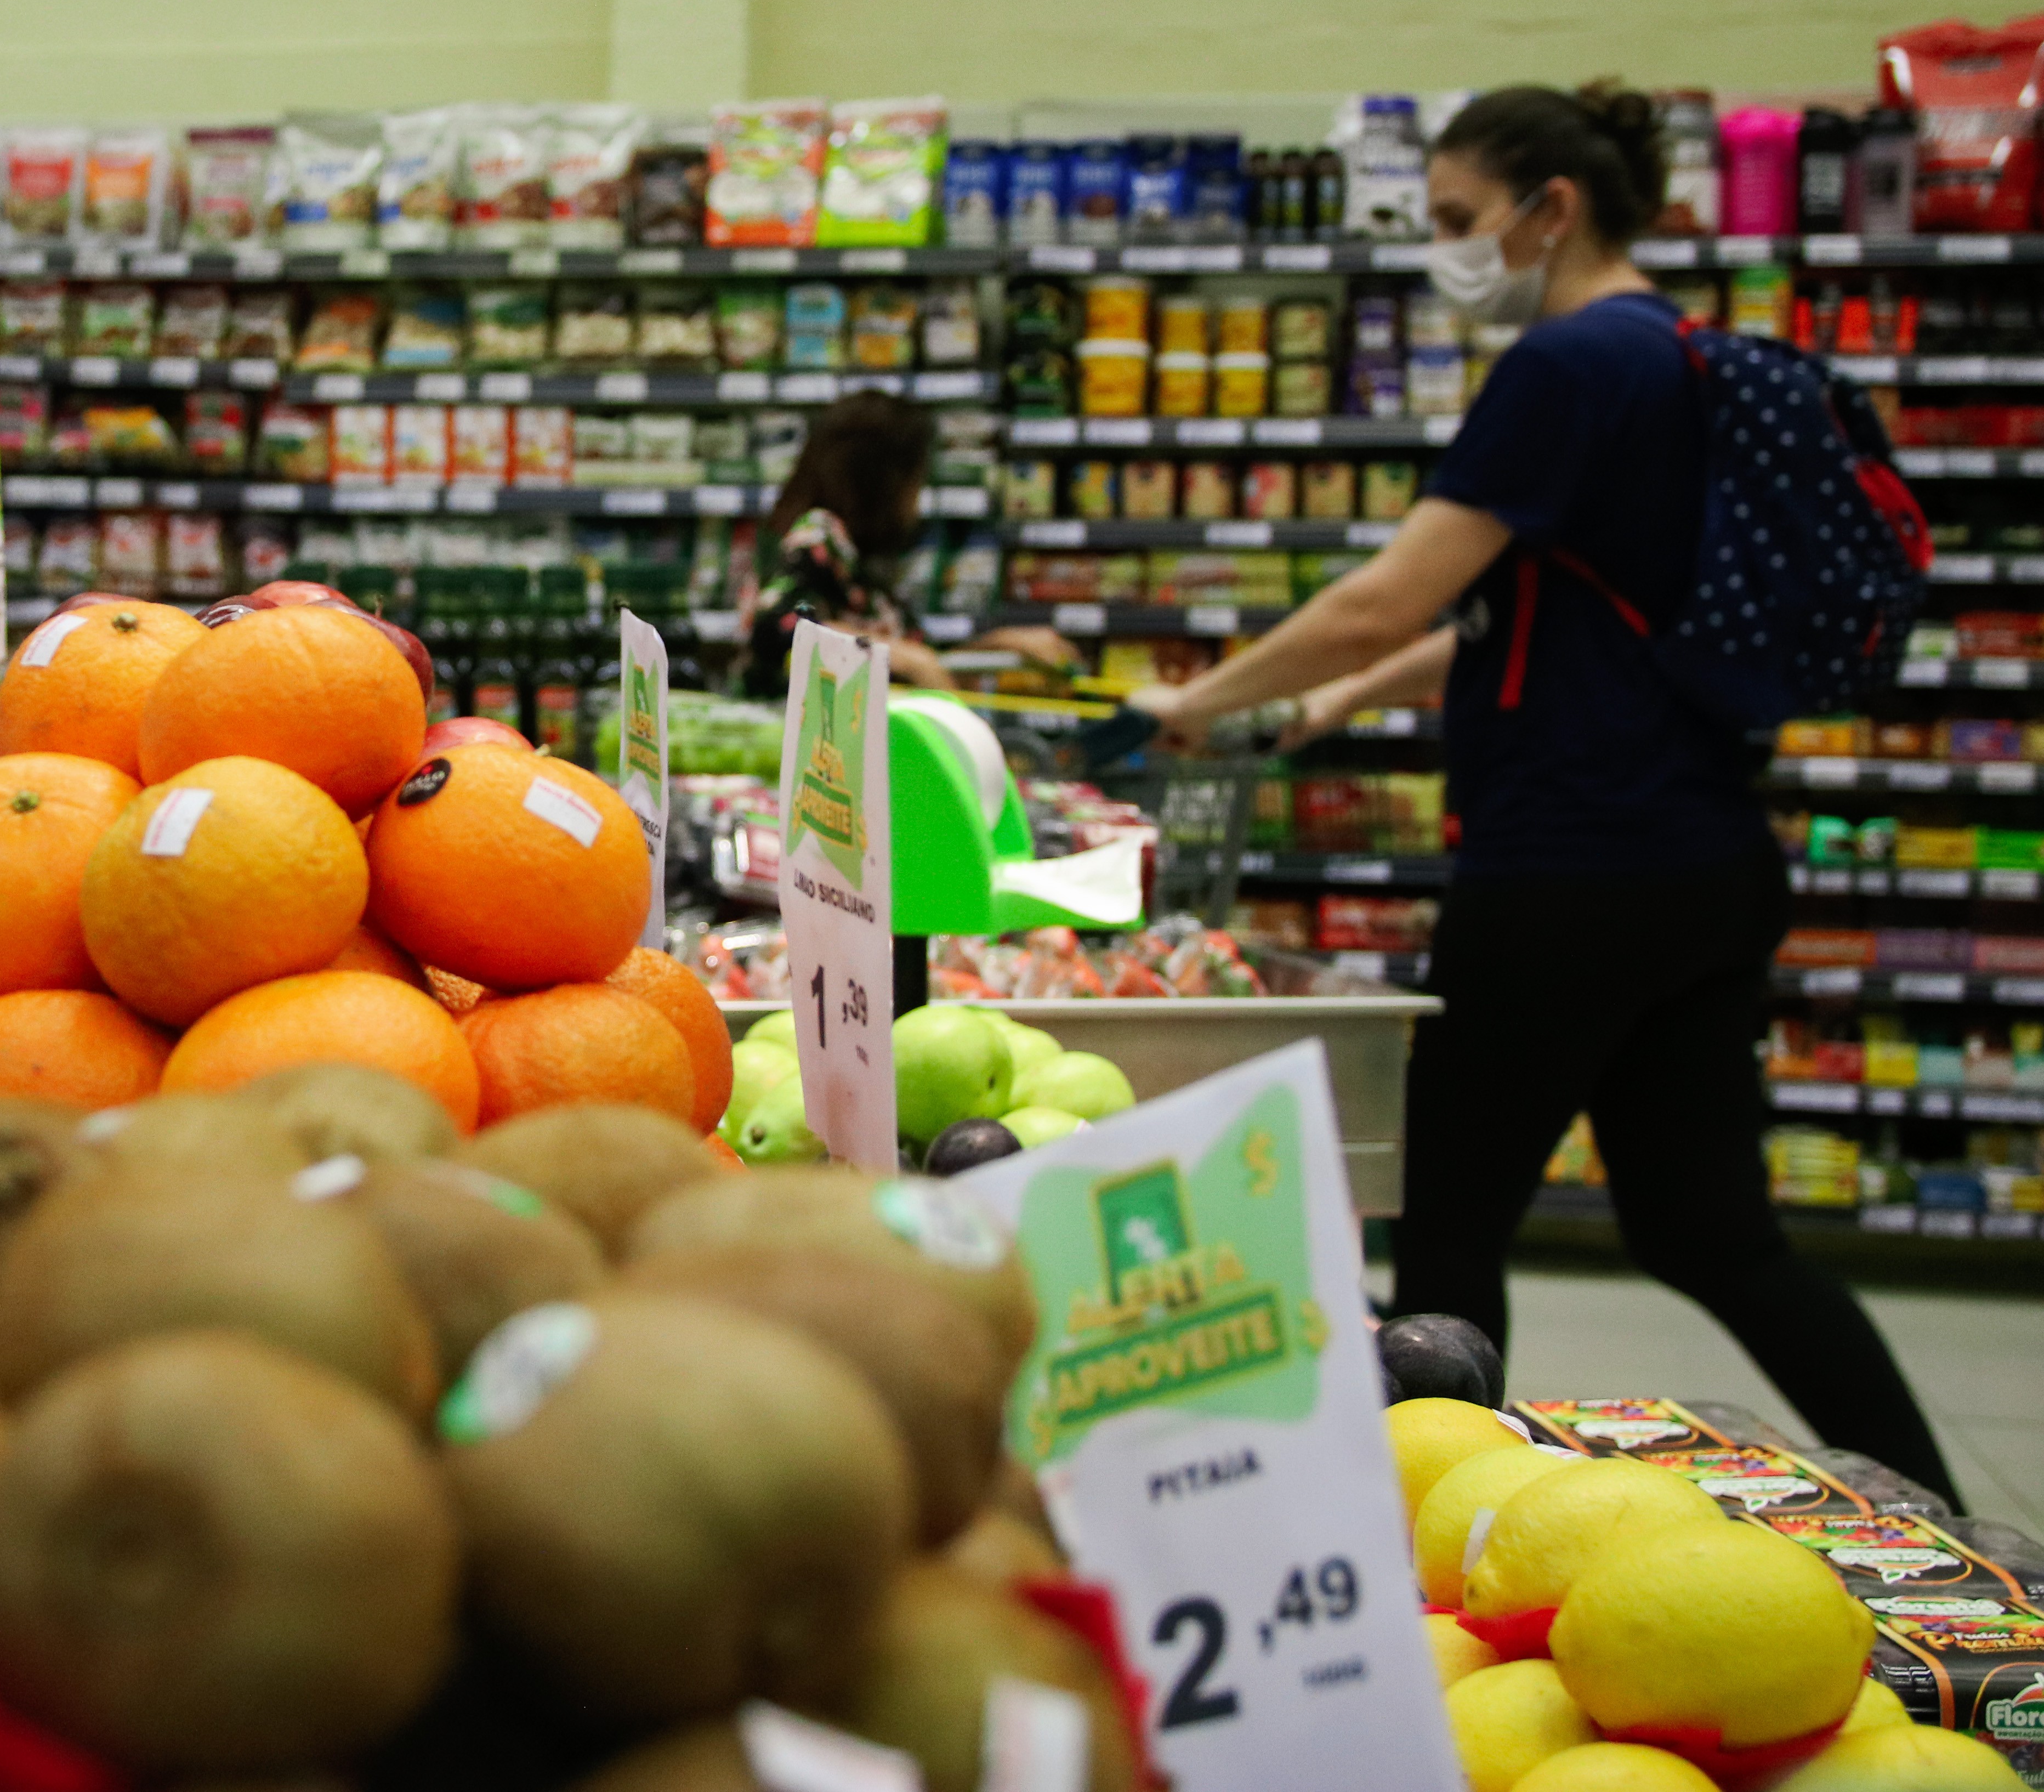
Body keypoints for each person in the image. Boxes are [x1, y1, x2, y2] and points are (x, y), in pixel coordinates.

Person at [1128, 83, 1957, 1497]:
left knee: (1448, 1232)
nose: (1447, 251)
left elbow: (1395, 587)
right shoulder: (1685, 361)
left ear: (1549, 209)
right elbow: (1535, 619)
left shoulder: (1566, 368)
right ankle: (1948, 1509)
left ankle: (1448, 1528)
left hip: (1566, 867)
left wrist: (1198, 700)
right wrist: (1342, 700)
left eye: (1458, 221)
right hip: (1701, 859)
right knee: (1708, 1231)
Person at [737, 391, 1078, 699]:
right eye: (917, 480)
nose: (915, 501)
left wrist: (1004, 645)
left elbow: (921, 666)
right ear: (883, 479)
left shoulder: (861, 562)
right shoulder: (818, 533)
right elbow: (775, 629)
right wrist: (904, 657)